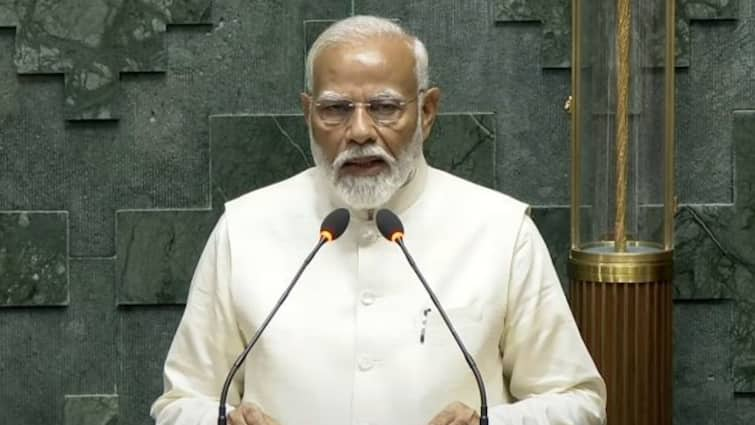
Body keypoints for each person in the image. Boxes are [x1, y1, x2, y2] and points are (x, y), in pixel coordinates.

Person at [151, 15, 606, 425]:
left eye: (385, 107)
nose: (361, 131)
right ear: (309, 114)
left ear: (426, 113)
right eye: (335, 109)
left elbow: (577, 402)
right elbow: (180, 403)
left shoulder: (501, 231)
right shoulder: (245, 228)